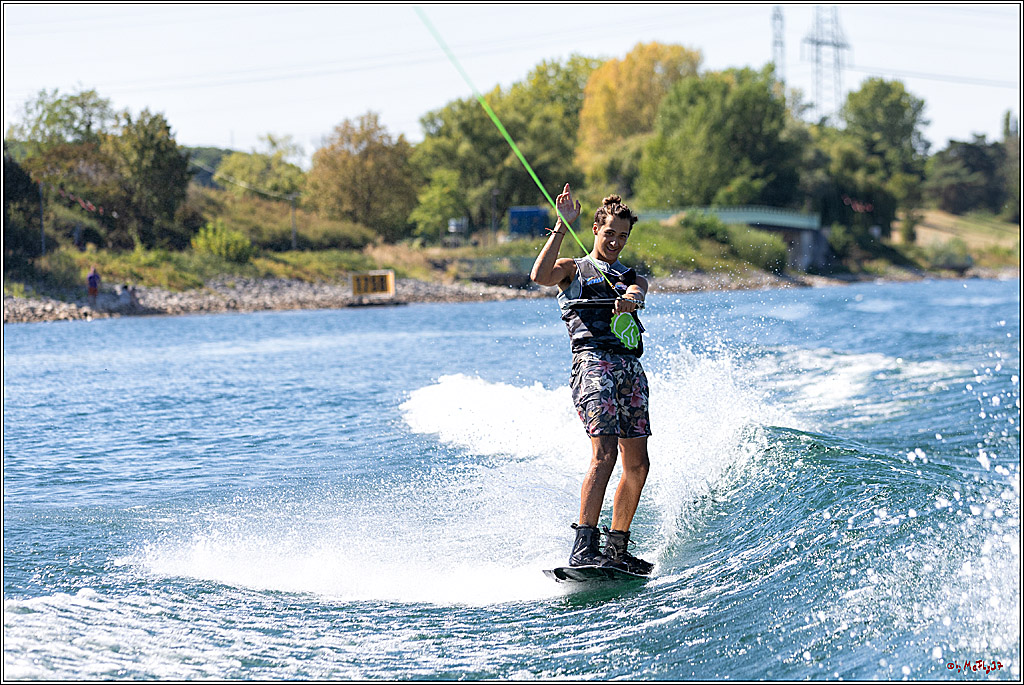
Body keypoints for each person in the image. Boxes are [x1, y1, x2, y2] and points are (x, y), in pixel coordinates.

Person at [530, 183, 654, 576]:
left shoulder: (632, 276)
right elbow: (539, 276)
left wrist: (630, 300)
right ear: (596, 231)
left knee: (638, 465)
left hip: (630, 371)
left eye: (623, 236)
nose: (616, 241)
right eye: (609, 234)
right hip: (592, 363)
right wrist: (561, 225)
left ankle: (616, 548)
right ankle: (584, 545)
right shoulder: (573, 269)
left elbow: (638, 291)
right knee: (605, 454)